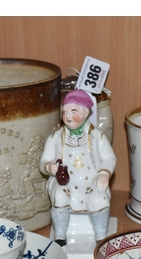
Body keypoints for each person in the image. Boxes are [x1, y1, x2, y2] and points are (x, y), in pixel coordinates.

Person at [40, 89, 116, 246]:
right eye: (65, 112)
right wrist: (49, 167)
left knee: (98, 198)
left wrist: (104, 173)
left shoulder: (97, 137)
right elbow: (43, 162)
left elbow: (109, 158)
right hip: (65, 182)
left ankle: (101, 234)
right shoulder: (55, 137)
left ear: (86, 112)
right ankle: (60, 234)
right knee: (60, 196)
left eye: (73, 111)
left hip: (91, 181)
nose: (68, 116)